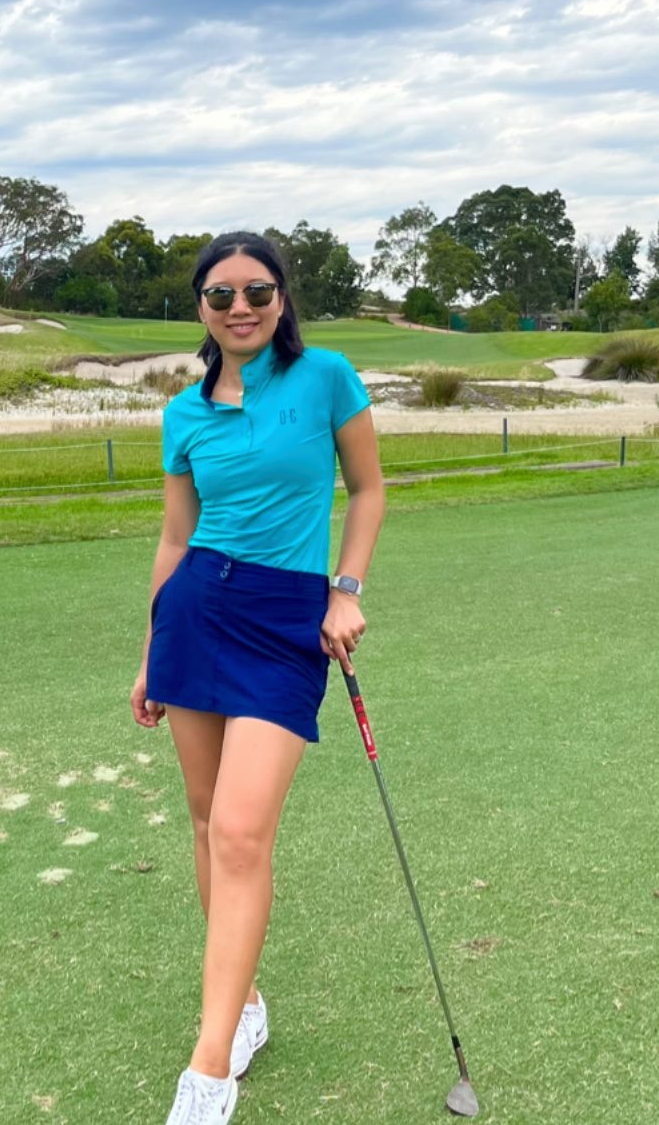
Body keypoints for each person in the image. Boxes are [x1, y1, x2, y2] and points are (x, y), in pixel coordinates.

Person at [130, 231, 386, 1123]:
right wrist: (149, 647)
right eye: (218, 293)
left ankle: (206, 1074)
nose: (238, 307)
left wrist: (344, 590)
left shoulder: (325, 377)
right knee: (205, 823)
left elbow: (368, 489)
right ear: (198, 307)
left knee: (241, 829)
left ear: (282, 298)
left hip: (285, 621)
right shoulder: (183, 412)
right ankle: (240, 1011)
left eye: (256, 290)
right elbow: (174, 535)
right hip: (196, 610)